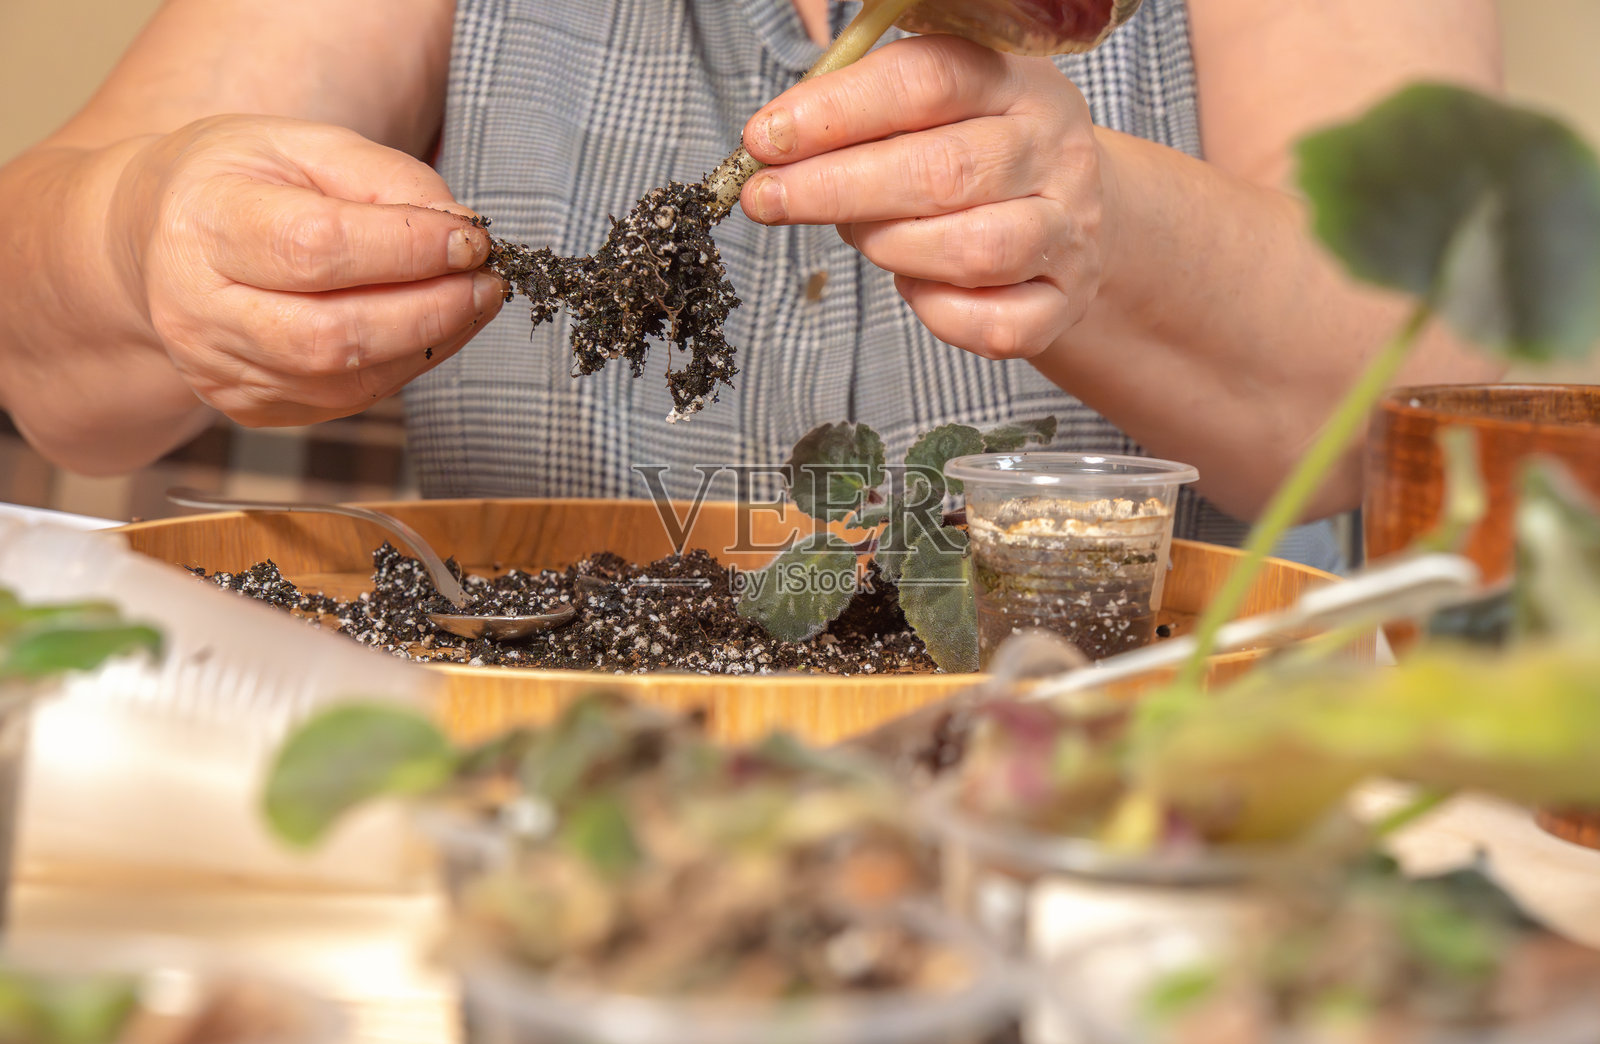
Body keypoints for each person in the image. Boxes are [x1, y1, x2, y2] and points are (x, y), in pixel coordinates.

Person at [0, 0, 1499, 558]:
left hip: (1131, 848)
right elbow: (48, 358)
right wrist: (148, 237)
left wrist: (1096, 229)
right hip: (547, 818)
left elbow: (1427, 379)